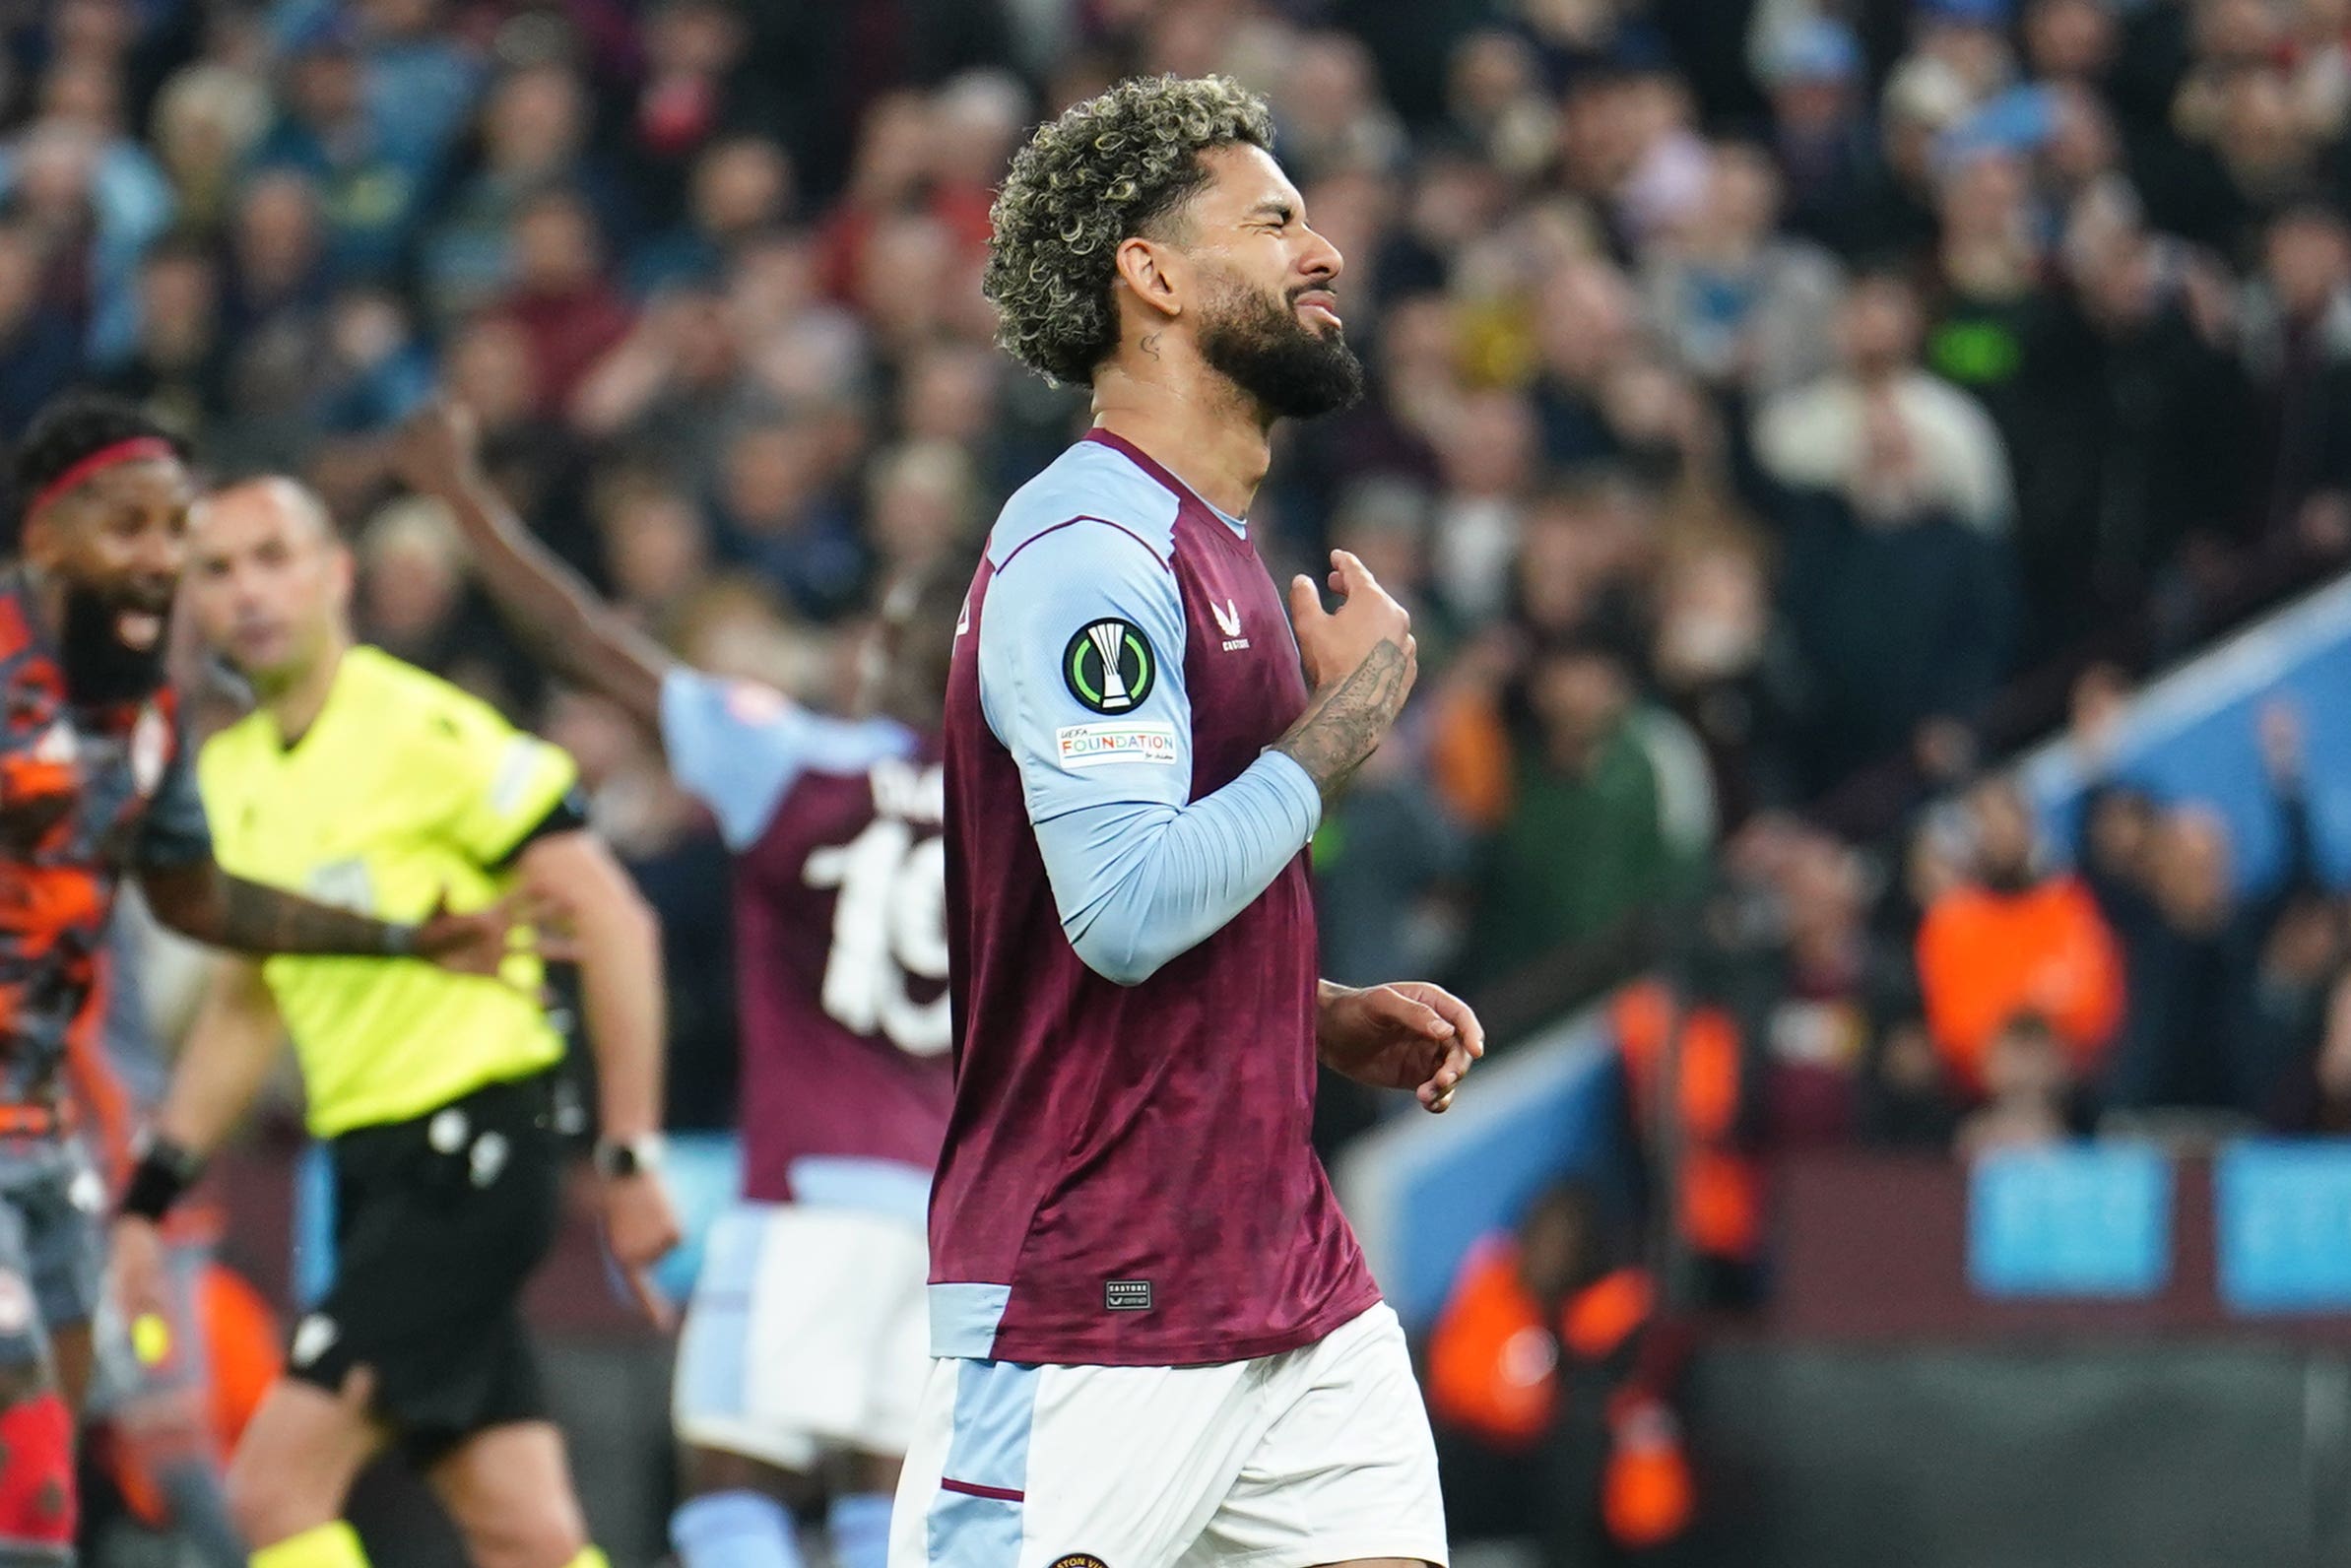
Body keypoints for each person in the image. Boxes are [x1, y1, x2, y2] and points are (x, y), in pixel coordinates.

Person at [899, 74, 1482, 1568]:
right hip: (1092, 1298)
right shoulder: (1088, 550)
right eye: (1272, 219)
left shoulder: (1210, 544)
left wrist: (1307, 1007)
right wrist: (1346, 724)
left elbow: (1151, 911)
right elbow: (1123, 909)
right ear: (1150, 277)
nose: (1325, 252)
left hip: (1280, 1280)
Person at [390, 400, 959, 1568]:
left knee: (728, 1485)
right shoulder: (1028, 824)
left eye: (891, 619)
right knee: (877, 1498)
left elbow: (591, 646)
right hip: (943, 1210)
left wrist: (465, 505)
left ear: (908, 650)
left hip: (804, 1191)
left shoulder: (798, 762)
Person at [107, 474, 681, 1568]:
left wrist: (630, 1147)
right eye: (216, 571)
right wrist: (152, 1192)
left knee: (274, 1490)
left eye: (273, 557)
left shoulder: (420, 728)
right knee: (525, 1529)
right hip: (373, 1169)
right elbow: (246, 1001)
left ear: (336, 575)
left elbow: (614, 916)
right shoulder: (225, 779)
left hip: (472, 1145)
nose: (247, 591)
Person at [0, 393, 513, 1564]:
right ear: (45, 541)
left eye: (171, 532)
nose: (160, 561)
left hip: (52, 1147)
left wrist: (392, 937)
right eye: (129, 529)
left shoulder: (144, 719)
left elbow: (206, 906)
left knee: (63, 1493)